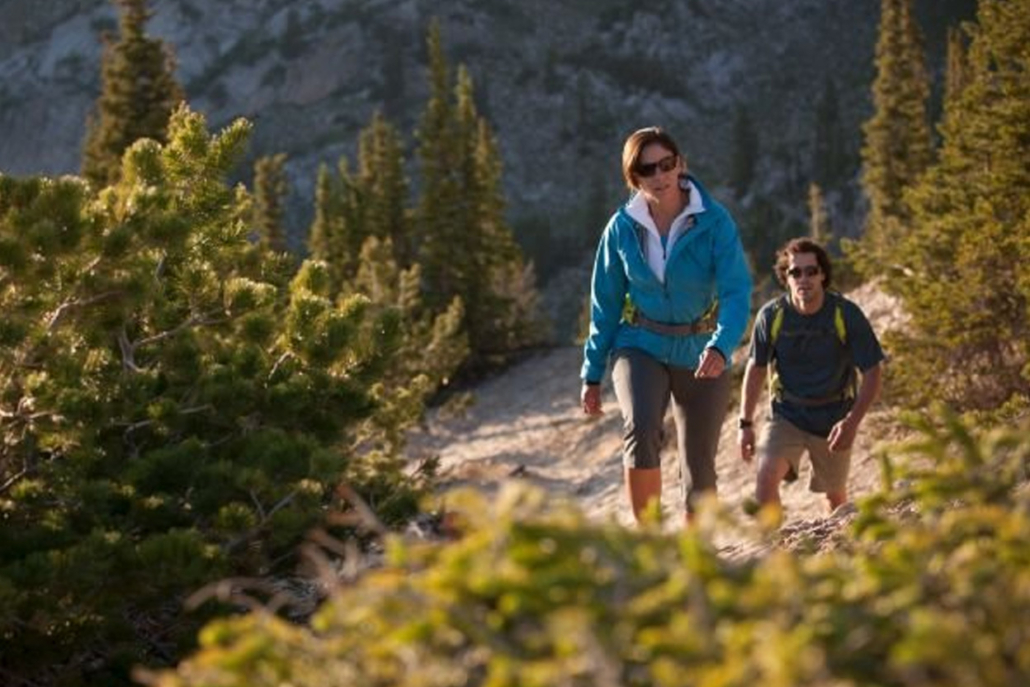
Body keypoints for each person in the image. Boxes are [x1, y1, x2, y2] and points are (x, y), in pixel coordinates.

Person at [581, 126, 752, 525]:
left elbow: (736, 292)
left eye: (666, 164)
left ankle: (694, 557)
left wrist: (722, 345)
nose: (659, 175)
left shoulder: (715, 222)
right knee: (641, 429)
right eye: (646, 169)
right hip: (639, 343)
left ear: (681, 164)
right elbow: (604, 306)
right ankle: (650, 544)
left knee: (700, 467)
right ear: (633, 177)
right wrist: (591, 374)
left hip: (702, 349)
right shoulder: (621, 228)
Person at [738, 238, 884, 519]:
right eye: (795, 272)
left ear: (823, 275)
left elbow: (873, 370)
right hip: (787, 414)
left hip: (834, 418)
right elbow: (756, 368)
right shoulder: (772, 316)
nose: (803, 278)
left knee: (835, 500)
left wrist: (852, 422)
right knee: (765, 479)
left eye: (811, 271)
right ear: (785, 277)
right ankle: (776, 554)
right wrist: (745, 422)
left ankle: (835, 553)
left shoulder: (845, 314)